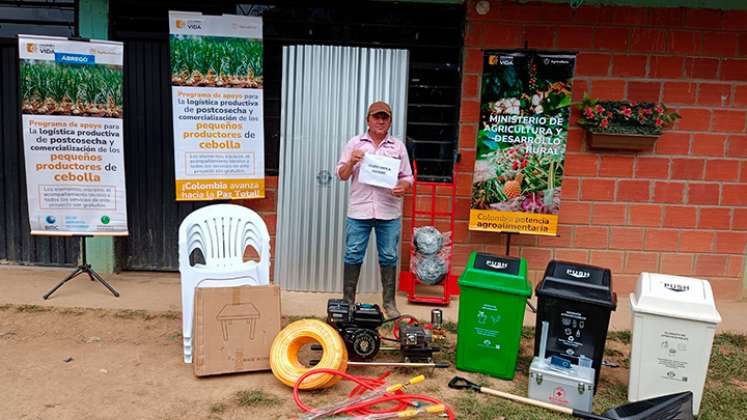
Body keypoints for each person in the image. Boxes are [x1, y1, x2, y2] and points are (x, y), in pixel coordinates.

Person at [336, 101, 413, 319]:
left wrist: (404, 186)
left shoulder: (397, 146)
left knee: (388, 256)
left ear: (390, 121)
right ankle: (348, 302)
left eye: (385, 117)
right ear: (368, 119)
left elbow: (407, 176)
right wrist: (351, 162)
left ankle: (389, 304)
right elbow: (341, 175)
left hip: (389, 212)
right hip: (359, 211)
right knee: (353, 253)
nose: (380, 121)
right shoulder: (354, 144)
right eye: (376, 117)